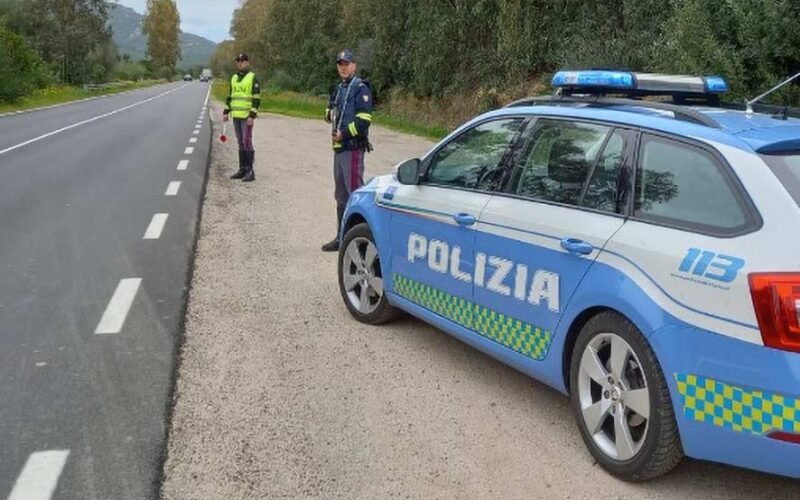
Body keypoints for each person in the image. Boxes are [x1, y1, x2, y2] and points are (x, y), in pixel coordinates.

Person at [321, 48, 373, 252]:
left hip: (352, 148)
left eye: (347, 64)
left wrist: (344, 133)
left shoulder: (361, 88)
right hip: (338, 148)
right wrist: (328, 115)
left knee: (355, 196)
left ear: (354, 66)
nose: (343, 68)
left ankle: (360, 242)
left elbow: (364, 122)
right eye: (340, 65)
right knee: (341, 196)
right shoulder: (339, 88)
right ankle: (342, 238)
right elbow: (331, 109)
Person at [223, 53, 261, 182]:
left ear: (247, 63)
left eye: (243, 61)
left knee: (247, 142)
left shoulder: (252, 77)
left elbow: (256, 98)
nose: (240, 63)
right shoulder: (234, 78)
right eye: (238, 61)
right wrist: (226, 111)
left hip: (246, 117)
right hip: (236, 116)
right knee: (240, 142)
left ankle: (250, 171)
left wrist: (252, 115)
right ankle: (242, 169)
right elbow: (230, 95)